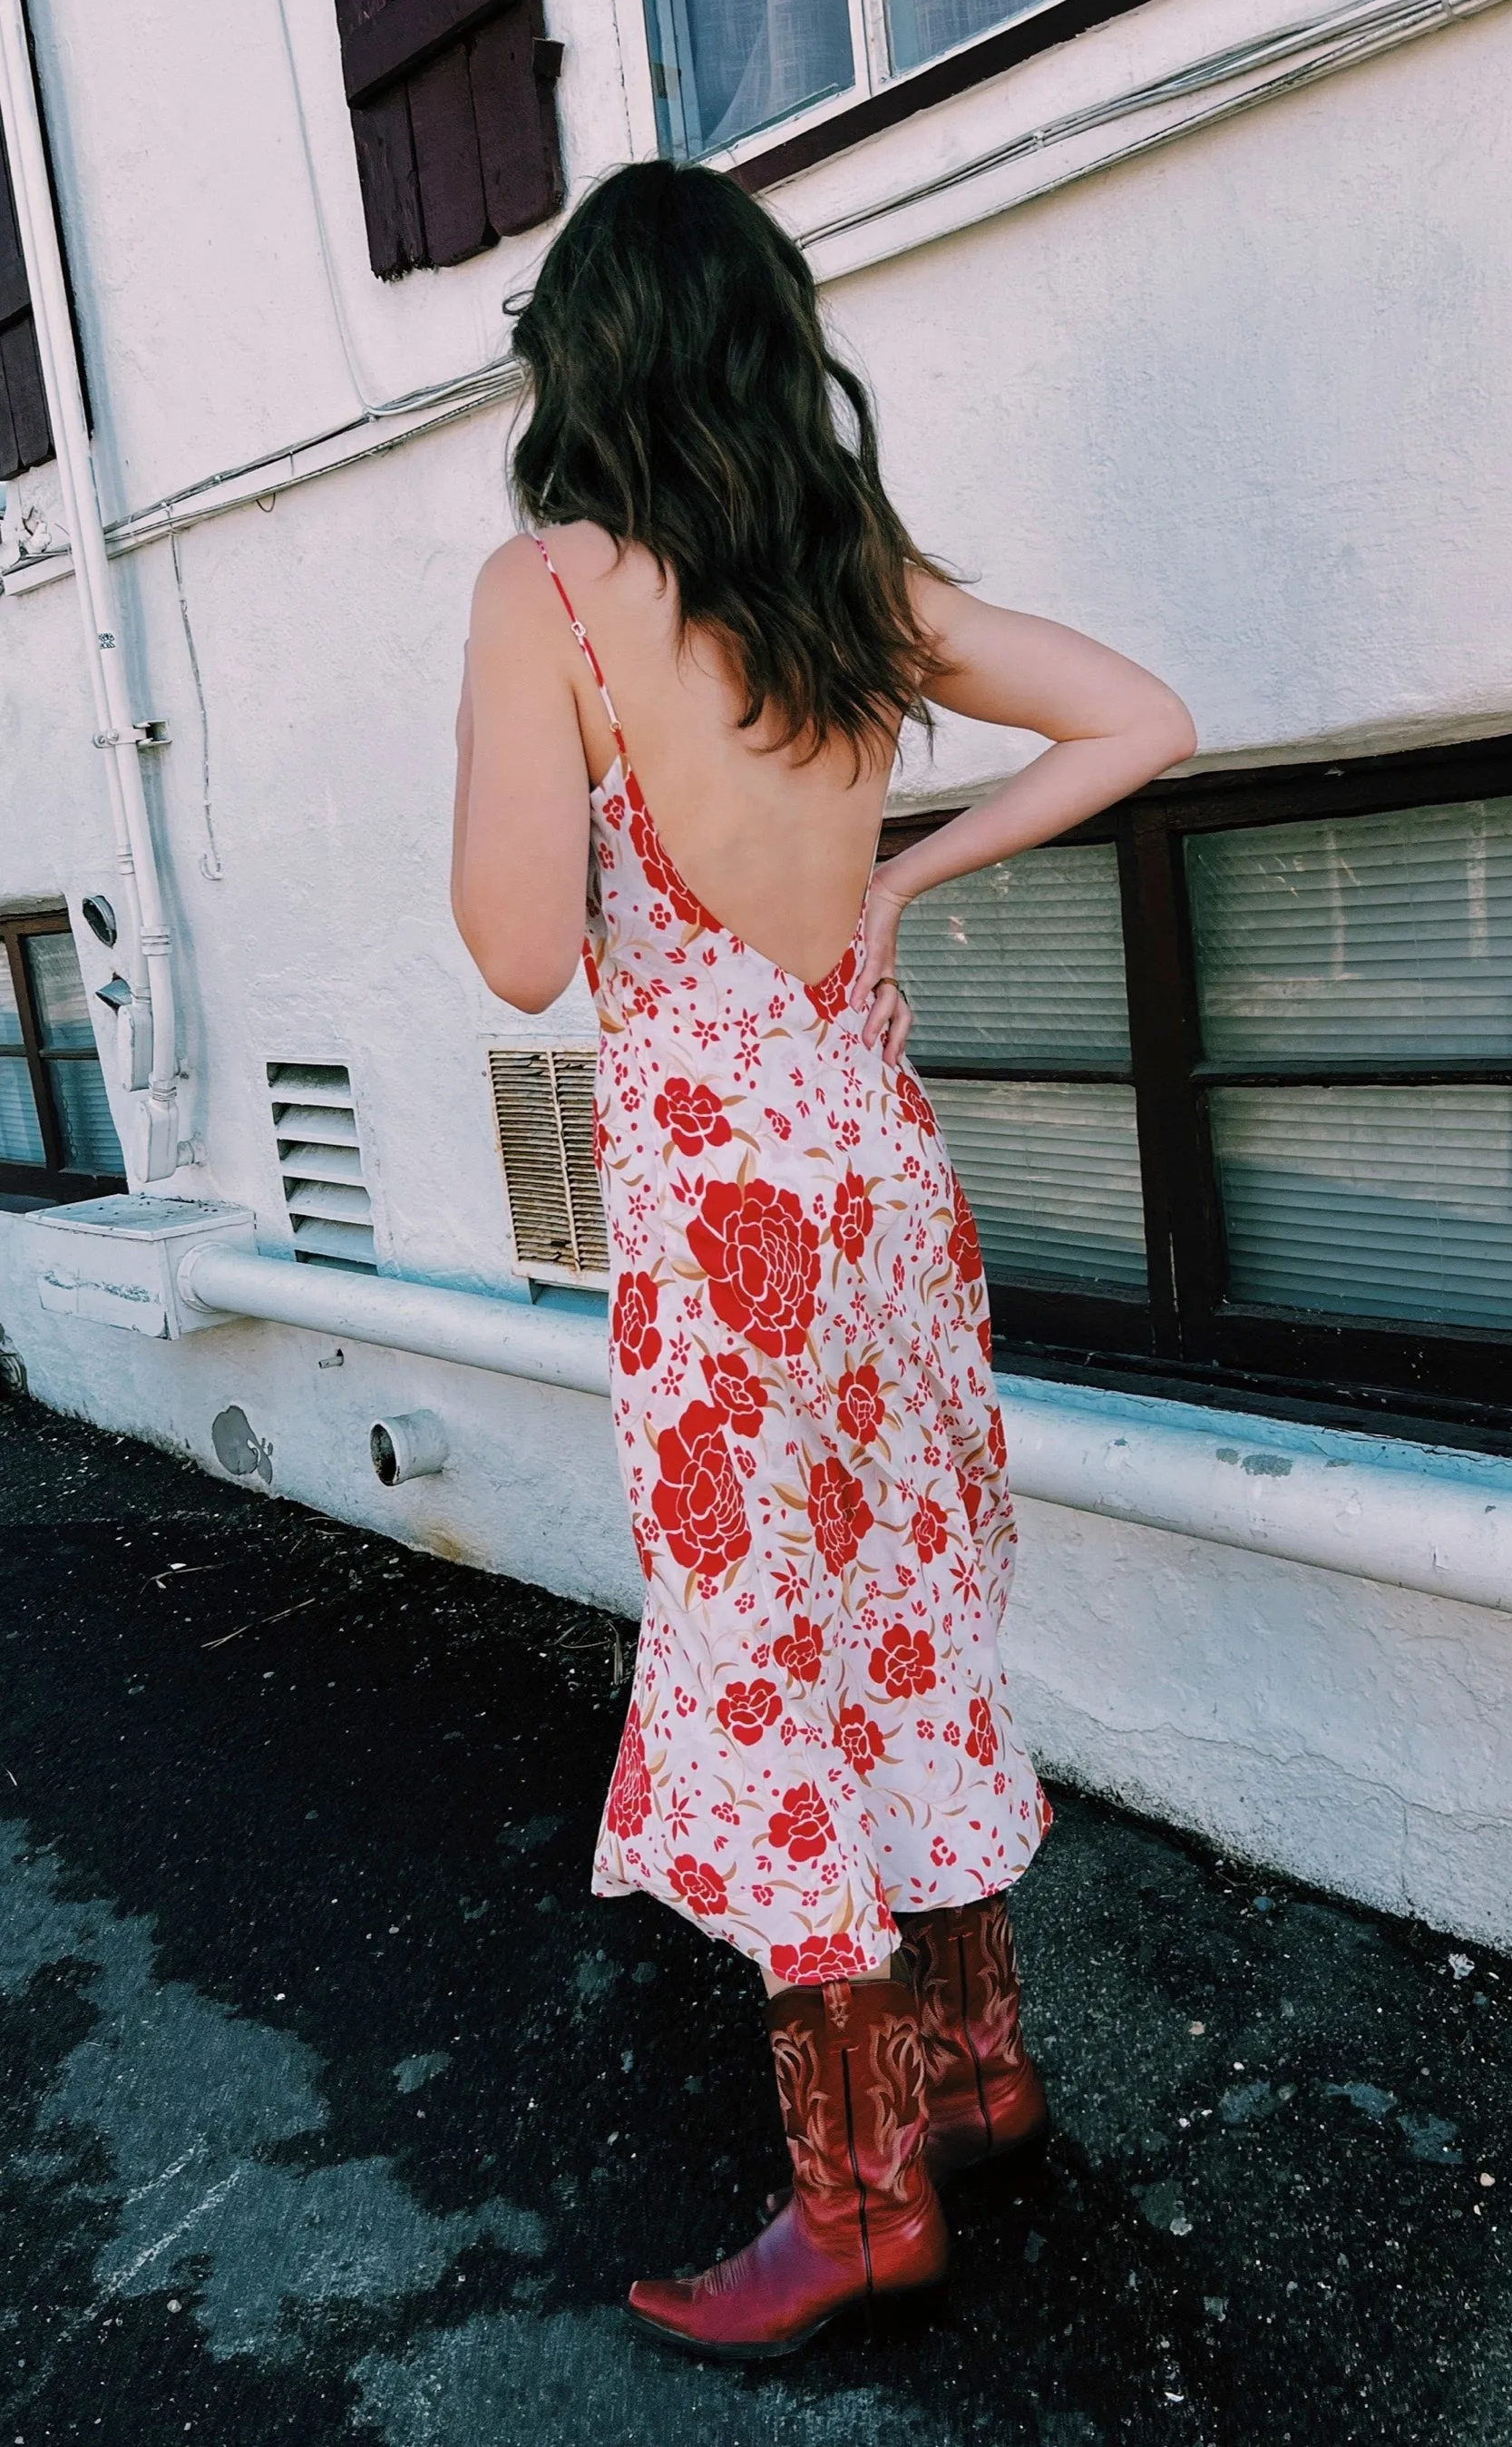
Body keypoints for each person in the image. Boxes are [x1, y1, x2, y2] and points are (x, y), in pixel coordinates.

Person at [450, 158, 1195, 2362]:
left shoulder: (549, 588)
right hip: (885, 1185)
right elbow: (1147, 715)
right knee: (914, 1597)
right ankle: (976, 2068)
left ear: (581, 367)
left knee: (764, 1651)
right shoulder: (846, 572)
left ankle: (857, 2197)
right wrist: (902, 879)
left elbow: (511, 958)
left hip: (720, 1229)